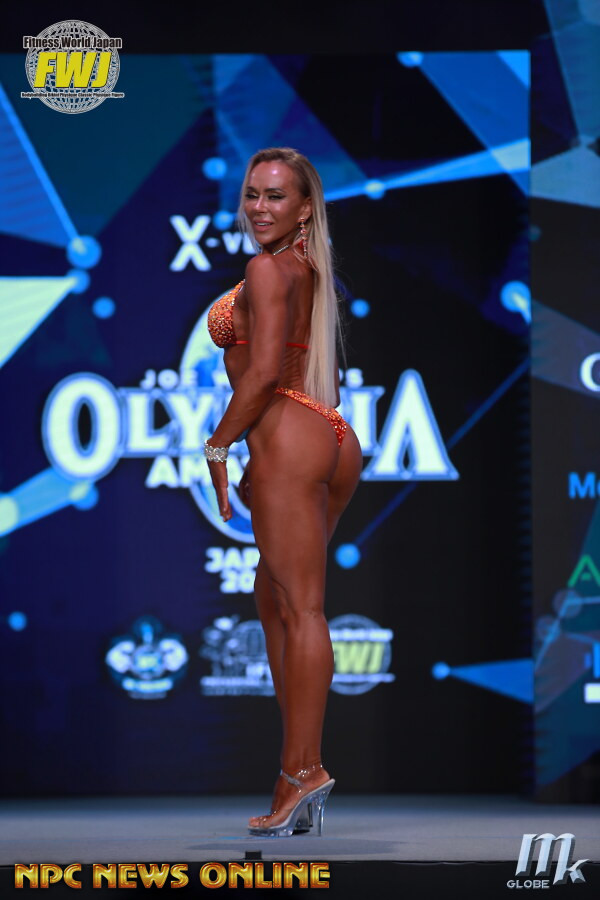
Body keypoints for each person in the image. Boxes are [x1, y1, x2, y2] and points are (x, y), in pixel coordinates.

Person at [204, 147, 363, 837]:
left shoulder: (267, 269)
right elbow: (299, 372)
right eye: (252, 194)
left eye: (275, 196)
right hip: (328, 433)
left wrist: (219, 443)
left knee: (301, 609)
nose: (259, 207)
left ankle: (302, 772)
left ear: (304, 208)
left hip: (289, 434)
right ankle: (299, 773)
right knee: (277, 603)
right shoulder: (307, 267)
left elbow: (264, 371)